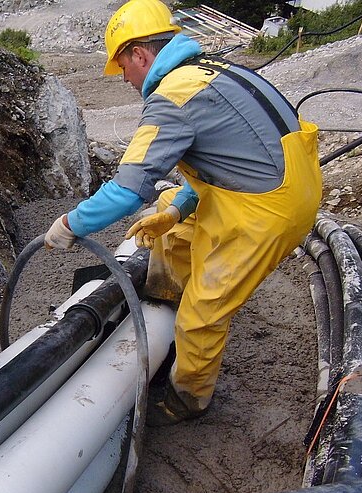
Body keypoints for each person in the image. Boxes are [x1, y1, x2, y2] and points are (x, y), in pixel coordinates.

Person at [44, 0, 322, 423]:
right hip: (257, 187)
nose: (123, 77)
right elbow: (227, 161)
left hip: (267, 210)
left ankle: (186, 398)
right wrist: (177, 213)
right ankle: (164, 304)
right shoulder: (214, 70)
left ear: (140, 54)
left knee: (204, 312)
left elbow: (127, 190)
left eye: (122, 65)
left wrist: (70, 224)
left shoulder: (173, 96)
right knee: (167, 210)